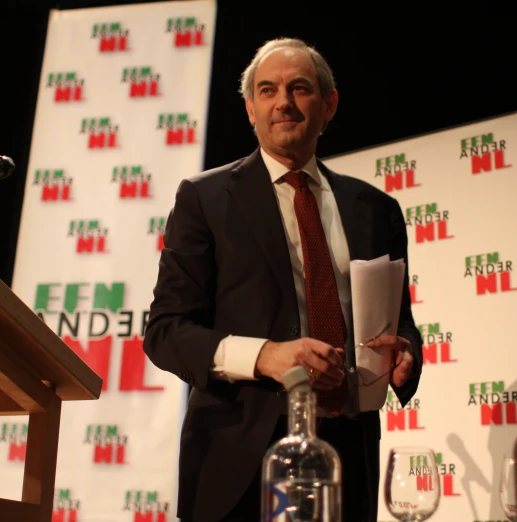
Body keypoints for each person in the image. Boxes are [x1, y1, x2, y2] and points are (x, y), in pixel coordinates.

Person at [144, 37, 423, 522]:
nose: (283, 103)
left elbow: (401, 322)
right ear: (250, 108)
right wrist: (268, 356)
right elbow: (166, 332)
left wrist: (406, 352)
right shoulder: (204, 199)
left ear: (329, 104)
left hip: (347, 455)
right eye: (268, 90)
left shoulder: (377, 210)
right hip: (238, 461)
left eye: (300, 88)